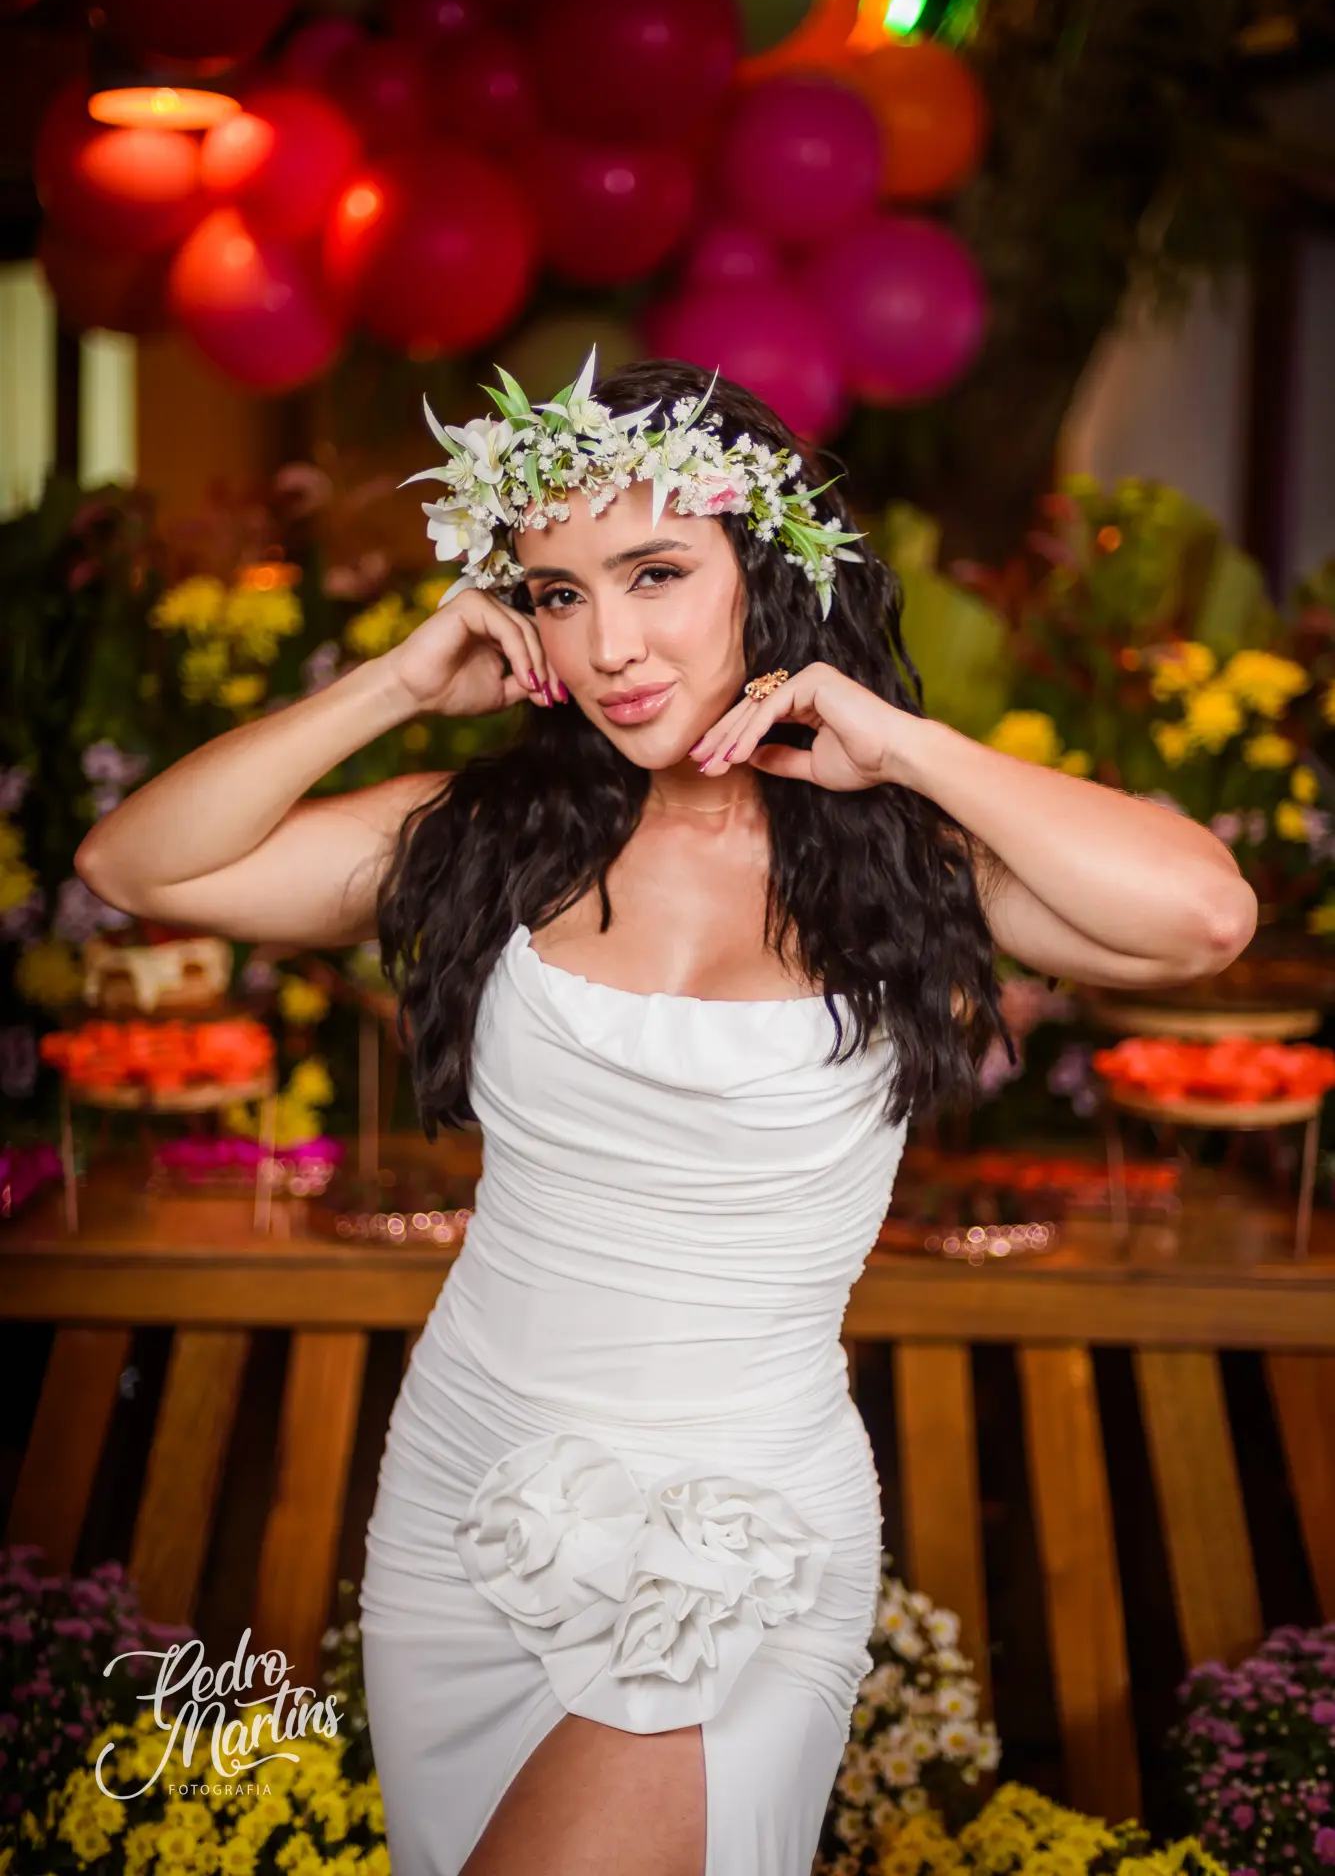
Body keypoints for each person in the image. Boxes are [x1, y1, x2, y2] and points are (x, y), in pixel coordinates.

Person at [74, 354, 1257, 1876]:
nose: (610, 644)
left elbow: (1203, 919)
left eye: (655, 573)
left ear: (766, 569)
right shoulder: (488, 839)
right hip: (467, 1501)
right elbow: (135, 867)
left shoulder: (913, 869)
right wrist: (394, 686)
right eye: (558, 594)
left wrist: (901, 747)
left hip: (738, 1529)